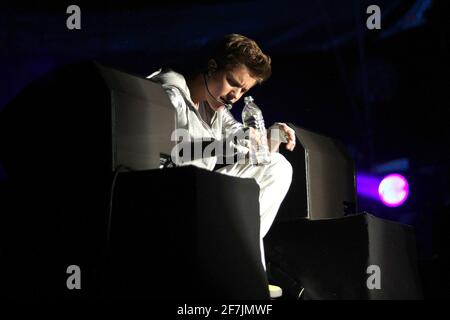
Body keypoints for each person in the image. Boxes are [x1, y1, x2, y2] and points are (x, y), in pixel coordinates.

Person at [148, 34, 296, 298]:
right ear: (212, 66)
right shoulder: (168, 94)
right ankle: (233, 260)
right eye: (232, 83)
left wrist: (271, 135)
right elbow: (165, 154)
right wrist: (228, 146)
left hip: (200, 202)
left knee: (277, 166)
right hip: (166, 206)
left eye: (243, 91)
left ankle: (239, 256)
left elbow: (252, 148)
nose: (234, 96)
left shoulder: (216, 108)